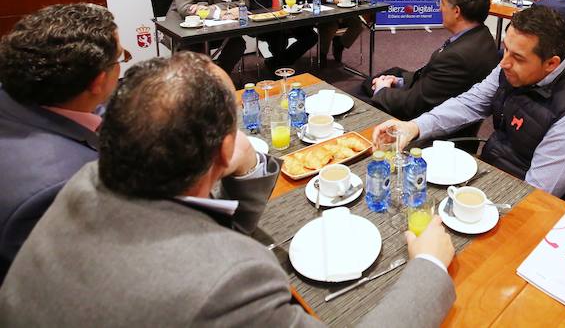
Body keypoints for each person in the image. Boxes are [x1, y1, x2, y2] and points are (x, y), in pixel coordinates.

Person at [0, 52, 456, 326]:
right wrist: (431, 265)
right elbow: (211, 260)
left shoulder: (82, 183)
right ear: (221, 149)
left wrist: (248, 162)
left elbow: (194, 222)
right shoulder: (231, 280)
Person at [372, 6, 565, 224]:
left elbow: (534, 195)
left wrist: (470, 208)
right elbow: (470, 103)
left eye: (517, 56)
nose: (504, 62)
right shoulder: (512, 66)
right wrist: (414, 127)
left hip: (544, 215)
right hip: (499, 174)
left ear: (551, 63)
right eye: (505, 49)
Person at [0, 3, 124, 283]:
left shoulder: (19, 94)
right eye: (121, 58)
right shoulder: (62, 185)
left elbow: (94, 112)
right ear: (97, 82)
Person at [366, 0, 499, 121]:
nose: (439, 9)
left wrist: (381, 90)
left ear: (456, 11)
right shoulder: (484, 36)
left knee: (360, 99)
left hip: (423, 124)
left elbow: (412, 106)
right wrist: (399, 81)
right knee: (388, 74)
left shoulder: (457, 57)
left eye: (442, 3)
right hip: (434, 94)